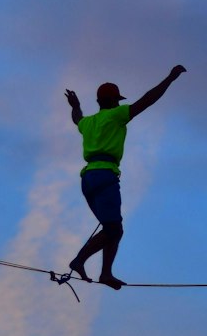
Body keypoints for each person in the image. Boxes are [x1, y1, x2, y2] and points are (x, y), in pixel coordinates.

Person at [66, 65, 186, 290]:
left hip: (87, 179)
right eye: (118, 100)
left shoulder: (89, 122)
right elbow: (147, 100)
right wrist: (170, 79)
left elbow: (77, 119)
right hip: (105, 176)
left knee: (114, 228)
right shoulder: (116, 115)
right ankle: (80, 260)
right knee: (113, 229)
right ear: (112, 101)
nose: (121, 104)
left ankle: (105, 273)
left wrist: (76, 106)